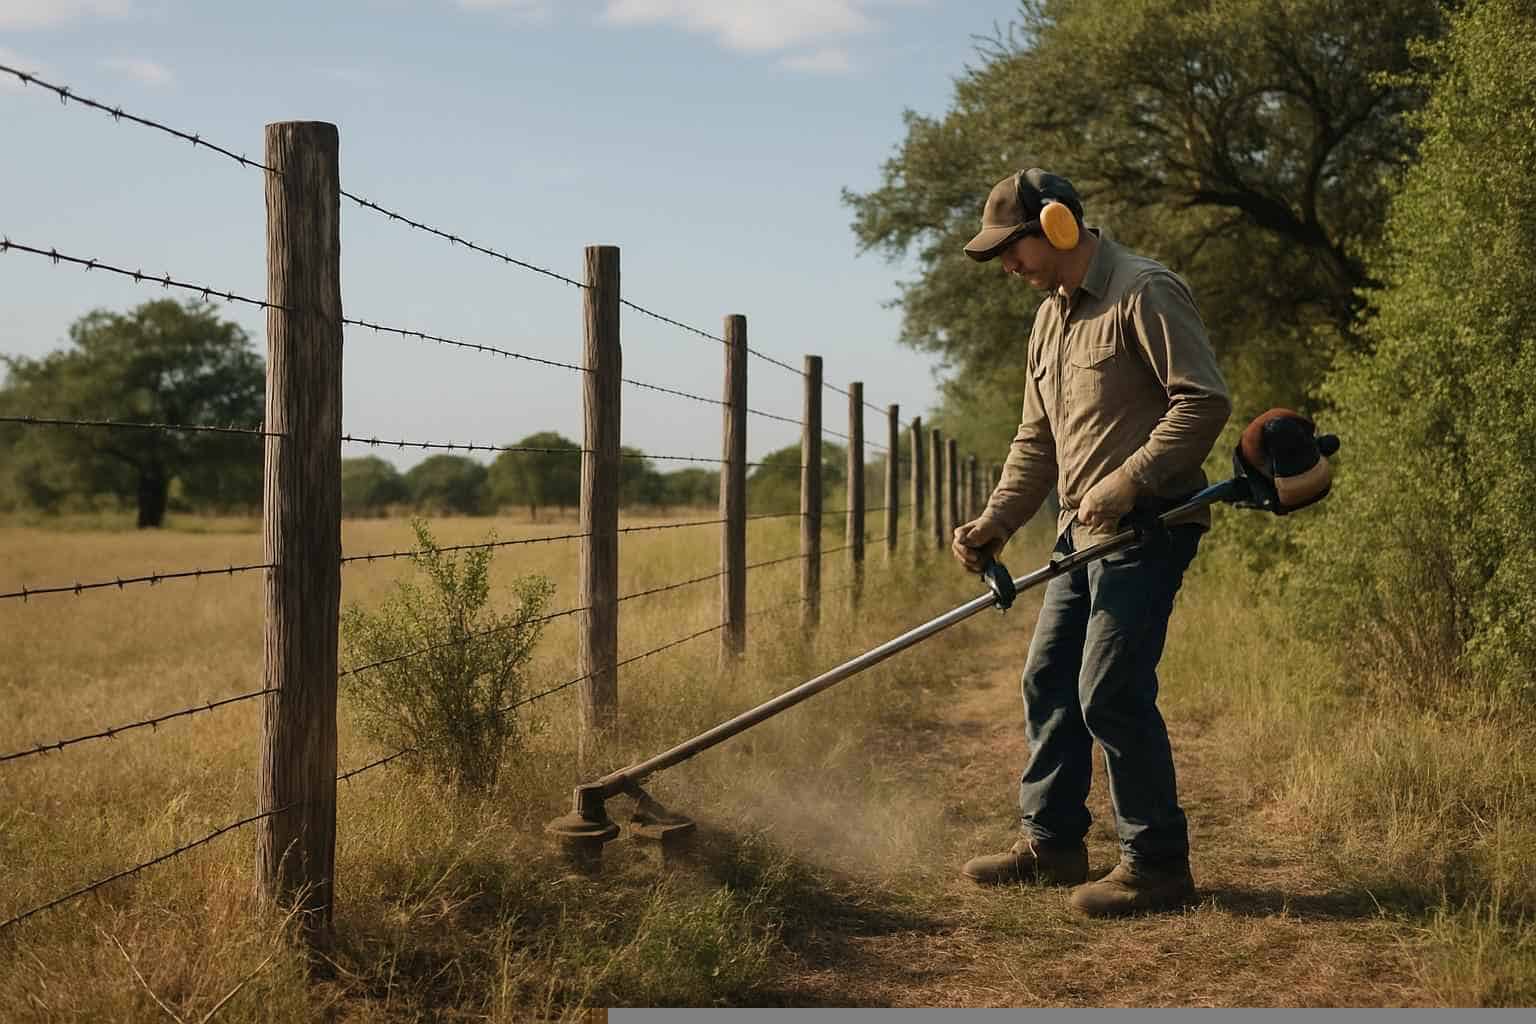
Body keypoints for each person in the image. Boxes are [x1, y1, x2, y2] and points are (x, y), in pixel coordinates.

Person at [951, 168, 1231, 917]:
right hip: (1083, 533)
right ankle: (1053, 844)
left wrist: (1133, 479)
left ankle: (1158, 864)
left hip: (1151, 525)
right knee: (1047, 678)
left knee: (1108, 689)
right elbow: (1035, 441)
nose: (1007, 265)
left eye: (1012, 248)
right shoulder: (1050, 318)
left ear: (1059, 226)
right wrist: (996, 522)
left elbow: (1204, 403)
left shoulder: (1144, 291)